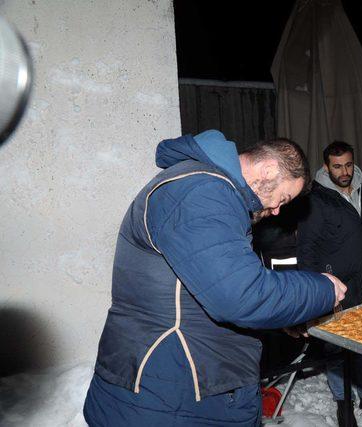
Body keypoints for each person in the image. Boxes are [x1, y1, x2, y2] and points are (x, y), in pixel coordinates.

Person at [83, 130, 347, 426]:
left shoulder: (208, 190)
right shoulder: (201, 191)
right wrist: (323, 288)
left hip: (184, 389)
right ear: (269, 169)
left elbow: (207, 290)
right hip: (169, 397)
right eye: (282, 198)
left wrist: (284, 316)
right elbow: (239, 296)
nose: (275, 210)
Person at [297, 141, 362, 427]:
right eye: (337, 166)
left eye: (349, 165)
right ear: (326, 166)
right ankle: (343, 403)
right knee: (336, 349)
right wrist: (318, 291)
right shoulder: (316, 199)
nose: (345, 171)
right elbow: (307, 249)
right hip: (336, 289)